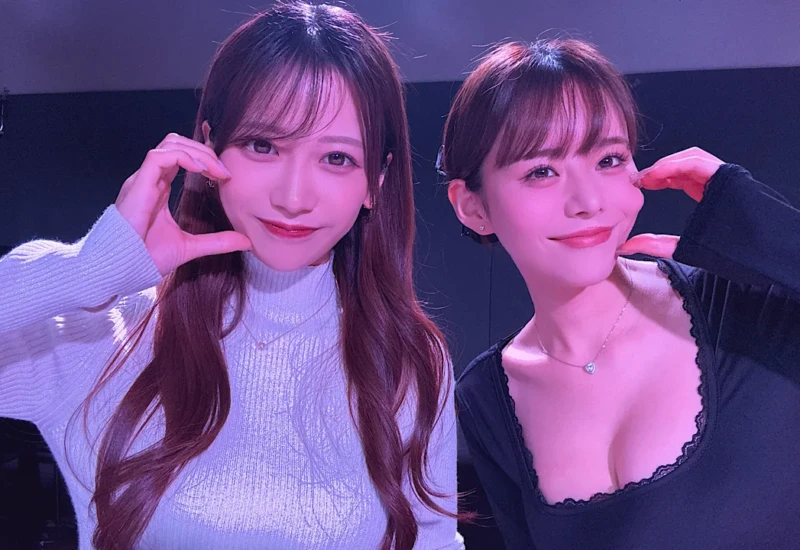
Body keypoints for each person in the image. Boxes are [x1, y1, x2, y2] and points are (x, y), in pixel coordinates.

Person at [0, 4, 463, 549]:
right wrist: (88, 270)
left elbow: (432, 541)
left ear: (375, 182)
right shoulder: (106, 333)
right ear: (208, 147)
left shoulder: (407, 359)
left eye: (336, 159)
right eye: (263, 146)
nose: (293, 197)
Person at [439, 38, 800, 549]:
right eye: (541, 171)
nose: (587, 201)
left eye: (608, 160)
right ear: (473, 207)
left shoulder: (746, 305)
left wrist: (759, 224)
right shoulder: (486, 400)